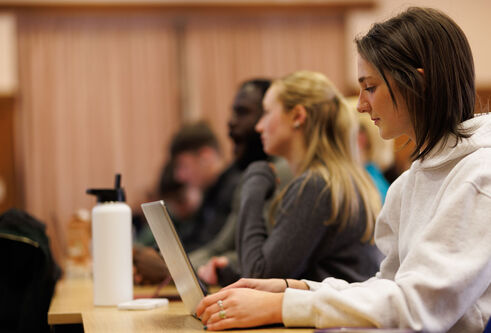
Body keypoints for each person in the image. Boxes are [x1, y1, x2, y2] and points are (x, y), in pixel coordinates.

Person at [196, 7, 491, 332]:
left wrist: (285, 306)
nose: (362, 105)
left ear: (417, 83)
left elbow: (417, 308)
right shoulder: (409, 183)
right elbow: (387, 289)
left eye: (371, 87)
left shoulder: (480, 175)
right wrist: (295, 289)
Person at [202, 70, 382, 286]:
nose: (259, 126)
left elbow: (260, 277)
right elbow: (290, 269)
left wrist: (253, 184)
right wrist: (230, 271)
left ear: (297, 116)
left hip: (331, 319)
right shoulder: (333, 179)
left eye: (267, 112)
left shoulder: (316, 185)